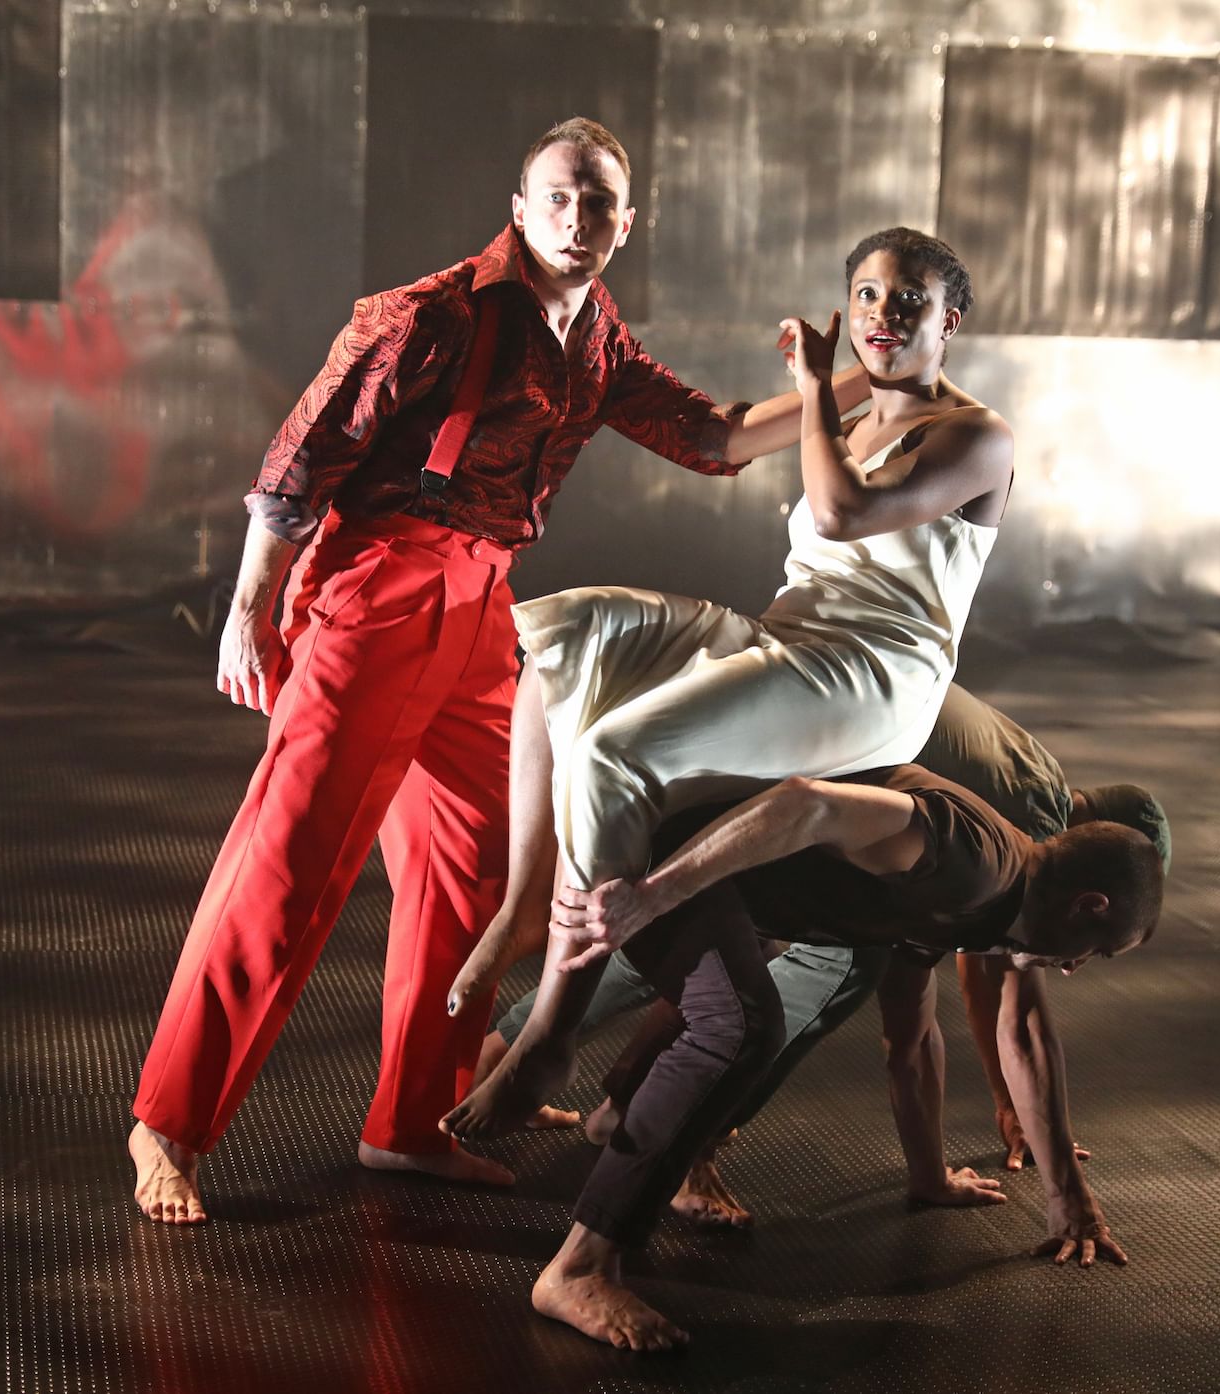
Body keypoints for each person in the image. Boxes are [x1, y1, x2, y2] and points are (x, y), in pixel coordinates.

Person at [126, 117, 873, 1224]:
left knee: (482, 855)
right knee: (289, 866)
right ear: (521, 206)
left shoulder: (598, 331)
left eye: (603, 204)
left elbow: (713, 436)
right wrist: (248, 608)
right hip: (373, 588)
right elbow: (297, 461)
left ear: (631, 220)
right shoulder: (428, 315)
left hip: (481, 606)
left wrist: (859, 383)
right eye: (562, 199)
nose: (582, 221)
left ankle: (413, 1119)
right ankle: (169, 1122)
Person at [441, 227, 1015, 1071]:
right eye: (866, 294)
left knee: (612, 753)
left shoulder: (976, 435)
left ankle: (552, 1030)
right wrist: (833, 387)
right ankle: (525, 902)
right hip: (790, 635)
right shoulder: (846, 413)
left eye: (907, 300)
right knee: (564, 630)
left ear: (949, 320)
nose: (882, 312)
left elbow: (838, 515)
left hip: (870, 678)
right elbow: (724, 438)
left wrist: (819, 384)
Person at [473, 758, 1165, 1349]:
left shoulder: (980, 909)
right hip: (672, 846)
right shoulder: (975, 862)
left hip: (723, 880)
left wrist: (928, 1179)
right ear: (1089, 906)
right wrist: (656, 894)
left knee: (741, 1015)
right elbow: (809, 802)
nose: (1075, 970)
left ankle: (582, 1110)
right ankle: (579, 1267)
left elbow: (914, 1031)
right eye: (1096, 953)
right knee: (741, 1026)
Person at [471, 684, 1170, 1227]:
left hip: (756, 766)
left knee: (704, 931)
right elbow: (1002, 1013)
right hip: (778, 796)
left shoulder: (1024, 796)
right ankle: (675, 1144)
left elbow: (927, 1004)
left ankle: (510, 1060)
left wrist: (958, 1150)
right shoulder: (1012, 846)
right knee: (821, 970)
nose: (1077, 965)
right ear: (1092, 891)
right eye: (1095, 948)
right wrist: (1062, 1189)